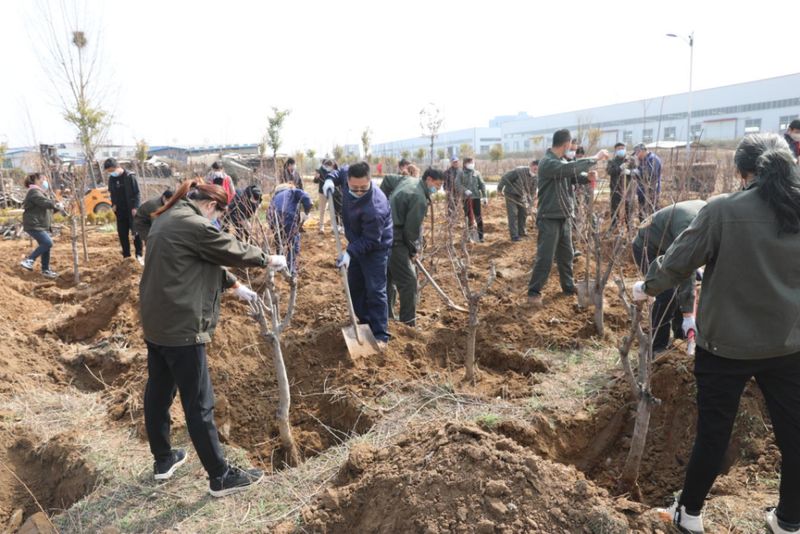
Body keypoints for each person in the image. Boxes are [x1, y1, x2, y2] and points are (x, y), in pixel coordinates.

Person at [630, 133, 800, 534]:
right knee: (793, 433)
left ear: (742, 172)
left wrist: (645, 288)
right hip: (788, 344)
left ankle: (688, 514)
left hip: (725, 346)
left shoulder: (722, 210)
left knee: (713, 432)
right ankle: (790, 520)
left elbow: (677, 262)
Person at [140, 179, 287, 498]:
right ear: (211, 206)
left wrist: (234, 287)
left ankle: (163, 459)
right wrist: (266, 258)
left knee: (159, 391)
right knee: (199, 404)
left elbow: (199, 261)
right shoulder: (194, 223)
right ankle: (220, 476)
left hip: (157, 322)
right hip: (181, 327)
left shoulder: (168, 216)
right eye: (218, 216)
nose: (216, 222)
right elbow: (226, 248)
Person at [526, 129, 608, 308]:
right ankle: (534, 291)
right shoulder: (547, 163)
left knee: (567, 254)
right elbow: (566, 169)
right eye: (570, 145)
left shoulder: (561, 161)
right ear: (565, 144)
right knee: (545, 257)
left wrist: (587, 177)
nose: (571, 148)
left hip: (564, 215)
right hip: (549, 217)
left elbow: (572, 176)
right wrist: (594, 158)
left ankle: (568, 286)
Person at [322, 162, 393, 347]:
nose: (359, 192)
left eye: (364, 188)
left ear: (370, 181)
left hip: (375, 248)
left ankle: (380, 335)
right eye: (355, 188)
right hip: (356, 242)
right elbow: (340, 171)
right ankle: (365, 321)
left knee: (375, 290)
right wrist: (330, 179)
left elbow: (371, 240)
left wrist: (349, 253)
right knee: (355, 286)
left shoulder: (375, 207)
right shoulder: (348, 177)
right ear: (348, 182)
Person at [631, 200, 706, 353]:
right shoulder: (688, 226)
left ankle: (681, 336)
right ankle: (657, 346)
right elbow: (685, 265)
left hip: (670, 248)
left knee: (681, 289)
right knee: (666, 293)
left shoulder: (709, 214)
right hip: (649, 247)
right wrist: (688, 314)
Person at [381, 168, 444, 326]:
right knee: (409, 282)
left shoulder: (408, 180)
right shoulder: (419, 198)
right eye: (437, 185)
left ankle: (387, 318)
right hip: (396, 239)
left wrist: (381, 206)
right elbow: (411, 231)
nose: (438, 189)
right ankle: (408, 325)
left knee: (388, 277)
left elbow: (388, 179)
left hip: (382, 231)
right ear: (429, 179)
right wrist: (413, 251)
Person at [20, 173, 63, 279]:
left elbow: (45, 208)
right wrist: (54, 204)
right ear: (36, 180)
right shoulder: (34, 192)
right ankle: (29, 260)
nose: (45, 181)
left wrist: (56, 208)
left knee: (46, 247)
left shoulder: (39, 192)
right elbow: (43, 203)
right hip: (34, 224)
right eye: (43, 179)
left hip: (37, 224)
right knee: (48, 243)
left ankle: (46, 270)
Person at [104, 158, 143, 263]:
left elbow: (137, 193)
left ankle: (139, 255)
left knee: (136, 233)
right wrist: (113, 205)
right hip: (120, 212)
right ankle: (126, 256)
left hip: (132, 211)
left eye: (111, 171)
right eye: (109, 172)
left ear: (117, 167)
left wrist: (136, 207)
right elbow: (112, 193)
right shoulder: (112, 179)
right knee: (122, 234)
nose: (111, 173)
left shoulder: (130, 176)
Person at [268, 182, 312, 275]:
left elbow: (268, 214)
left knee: (279, 243)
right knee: (293, 243)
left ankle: (279, 266)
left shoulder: (274, 197)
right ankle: (291, 269)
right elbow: (307, 198)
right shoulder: (292, 191)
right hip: (288, 216)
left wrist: (272, 226)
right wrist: (306, 211)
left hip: (274, 220)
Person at [497, 160, 538, 242]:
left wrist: (531, 203)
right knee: (513, 214)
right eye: (535, 169)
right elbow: (505, 178)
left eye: (538, 170)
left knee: (523, 213)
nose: (536, 171)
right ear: (531, 165)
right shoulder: (519, 171)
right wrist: (499, 189)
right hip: (511, 194)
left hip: (522, 196)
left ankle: (522, 232)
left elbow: (532, 191)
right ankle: (514, 236)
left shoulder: (536, 177)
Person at [456, 157, 487, 242]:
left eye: (473, 162)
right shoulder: (461, 173)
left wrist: (484, 196)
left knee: (478, 216)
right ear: (465, 164)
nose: (472, 164)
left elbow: (482, 184)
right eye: (470, 163)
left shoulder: (477, 173)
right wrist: (465, 190)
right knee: (468, 217)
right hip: (466, 198)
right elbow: (457, 184)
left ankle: (480, 237)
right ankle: (469, 236)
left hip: (476, 197)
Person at [606, 143, 634, 229]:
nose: (621, 150)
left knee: (628, 208)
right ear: (616, 150)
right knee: (615, 209)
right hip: (615, 188)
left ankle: (629, 227)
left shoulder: (630, 160)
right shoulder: (612, 161)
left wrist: (630, 172)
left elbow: (637, 171)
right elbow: (609, 171)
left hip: (627, 188)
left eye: (623, 148)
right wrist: (619, 168)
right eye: (619, 149)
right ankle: (614, 226)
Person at [632, 143, 663, 221]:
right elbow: (637, 177)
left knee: (652, 214)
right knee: (642, 215)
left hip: (651, 191)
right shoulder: (642, 160)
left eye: (637, 153)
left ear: (642, 151)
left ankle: (653, 231)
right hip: (641, 191)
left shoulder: (653, 159)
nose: (636, 155)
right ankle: (644, 231)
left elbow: (650, 175)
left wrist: (636, 171)